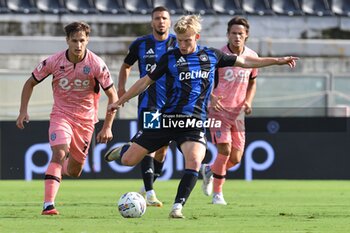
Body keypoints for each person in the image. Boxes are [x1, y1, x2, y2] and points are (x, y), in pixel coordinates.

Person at [104, 15, 298, 219]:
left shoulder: (212, 56)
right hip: (168, 118)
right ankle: (125, 149)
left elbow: (246, 61)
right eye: (179, 40)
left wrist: (278, 61)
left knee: (195, 160)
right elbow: (145, 81)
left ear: (196, 36)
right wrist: (121, 99)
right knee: (127, 160)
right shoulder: (170, 58)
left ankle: (177, 207)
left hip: (193, 122)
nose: (183, 45)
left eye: (187, 40)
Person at [16, 22, 118, 215]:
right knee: (59, 153)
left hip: (86, 121)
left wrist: (107, 126)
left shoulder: (96, 64)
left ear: (87, 40)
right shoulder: (54, 61)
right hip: (61, 115)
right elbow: (30, 83)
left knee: (74, 171)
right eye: (74, 41)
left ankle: (62, 163)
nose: (78, 45)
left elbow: (113, 95)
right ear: (67, 41)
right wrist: (23, 111)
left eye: (82, 40)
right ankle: (48, 205)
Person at [108, 6, 176, 207]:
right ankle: (150, 193)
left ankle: (125, 150)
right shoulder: (141, 44)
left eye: (164, 18)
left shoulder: (177, 43)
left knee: (163, 148)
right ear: (151, 22)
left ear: (170, 22)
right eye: (157, 18)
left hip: (172, 105)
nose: (161, 21)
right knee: (149, 147)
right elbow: (126, 65)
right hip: (150, 103)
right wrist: (121, 88)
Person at [200, 16, 259, 205]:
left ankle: (210, 169)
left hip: (238, 113)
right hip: (218, 110)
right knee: (224, 150)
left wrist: (248, 101)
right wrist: (211, 97)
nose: (237, 37)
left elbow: (252, 82)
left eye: (240, 33)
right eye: (233, 33)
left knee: (236, 158)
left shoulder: (252, 56)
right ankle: (218, 194)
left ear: (246, 35)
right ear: (228, 34)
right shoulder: (218, 56)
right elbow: (203, 80)